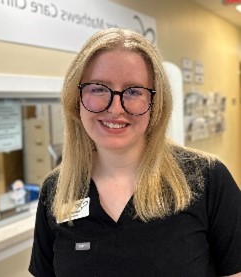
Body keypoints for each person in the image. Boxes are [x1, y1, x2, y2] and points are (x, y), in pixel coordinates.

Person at [29, 28, 241, 277]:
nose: (115, 108)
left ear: (155, 103)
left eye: (133, 92)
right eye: (98, 88)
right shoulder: (57, 189)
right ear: (76, 99)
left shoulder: (207, 179)